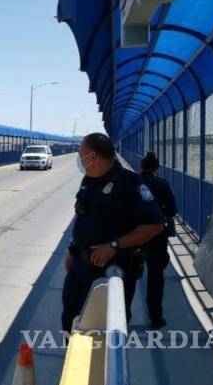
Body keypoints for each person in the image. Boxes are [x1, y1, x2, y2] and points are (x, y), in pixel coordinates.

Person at [62, 133, 165, 333]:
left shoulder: (130, 184)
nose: (78, 157)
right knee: (71, 321)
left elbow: (155, 225)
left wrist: (114, 245)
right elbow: (85, 219)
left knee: (104, 330)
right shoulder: (89, 179)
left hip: (111, 273)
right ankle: (72, 362)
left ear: (92, 156)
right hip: (79, 268)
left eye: (80, 153)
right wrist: (73, 251)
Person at [139, 152, 178, 329]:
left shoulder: (133, 182)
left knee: (130, 276)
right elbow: (173, 209)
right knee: (155, 277)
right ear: (157, 168)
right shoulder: (162, 184)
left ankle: (123, 316)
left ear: (141, 166)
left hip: (135, 235)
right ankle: (156, 318)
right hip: (157, 235)